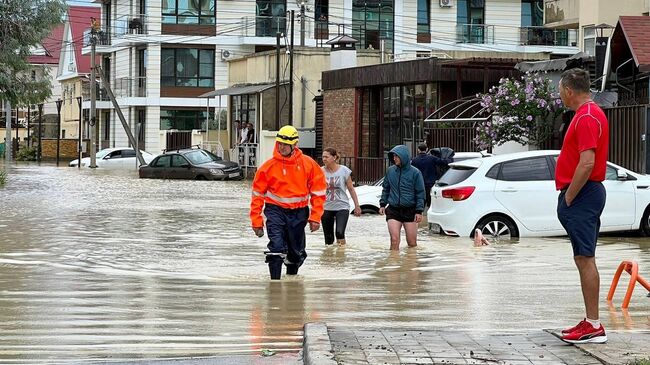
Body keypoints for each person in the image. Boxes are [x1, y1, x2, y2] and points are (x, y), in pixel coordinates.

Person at [556, 68, 609, 344]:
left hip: (583, 194)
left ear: (568, 90)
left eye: (560, 91)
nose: (560, 95)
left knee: (585, 258)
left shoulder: (587, 117)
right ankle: (591, 321)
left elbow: (587, 163)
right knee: (582, 257)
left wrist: (569, 196)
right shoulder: (587, 114)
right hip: (584, 194)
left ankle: (594, 326)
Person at [250, 125, 327, 280]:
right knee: (276, 248)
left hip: (299, 213)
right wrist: (256, 221)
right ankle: (275, 286)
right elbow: (257, 196)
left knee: (296, 253)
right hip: (275, 211)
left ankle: (292, 277)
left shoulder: (309, 164)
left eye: (285, 144)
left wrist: (315, 217)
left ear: (294, 144)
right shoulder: (267, 167)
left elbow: (318, 193)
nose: (282, 147)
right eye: (279, 143)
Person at [378, 145, 426, 250]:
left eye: (396, 156)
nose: (394, 158)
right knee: (394, 240)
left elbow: (420, 193)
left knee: (412, 243)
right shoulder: (390, 171)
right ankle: (393, 264)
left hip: (410, 210)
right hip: (393, 210)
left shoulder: (415, 173)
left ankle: (410, 264)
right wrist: (382, 204)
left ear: (403, 157)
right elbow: (386, 188)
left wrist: (419, 211)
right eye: (393, 156)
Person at [321, 147, 361, 246]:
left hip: (342, 206)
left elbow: (351, 189)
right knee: (328, 238)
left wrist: (357, 206)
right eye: (323, 157)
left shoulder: (344, 170)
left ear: (334, 157)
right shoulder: (320, 171)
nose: (324, 159)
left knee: (339, 233)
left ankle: (341, 256)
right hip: (326, 207)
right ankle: (329, 259)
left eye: (326, 157)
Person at [410, 143, 451, 208]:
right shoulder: (432, 158)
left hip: (419, 184)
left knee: (420, 203)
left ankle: (420, 214)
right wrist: (450, 159)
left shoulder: (414, 160)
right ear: (426, 149)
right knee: (430, 204)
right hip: (430, 184)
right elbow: (443, 162)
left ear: (418, 150)